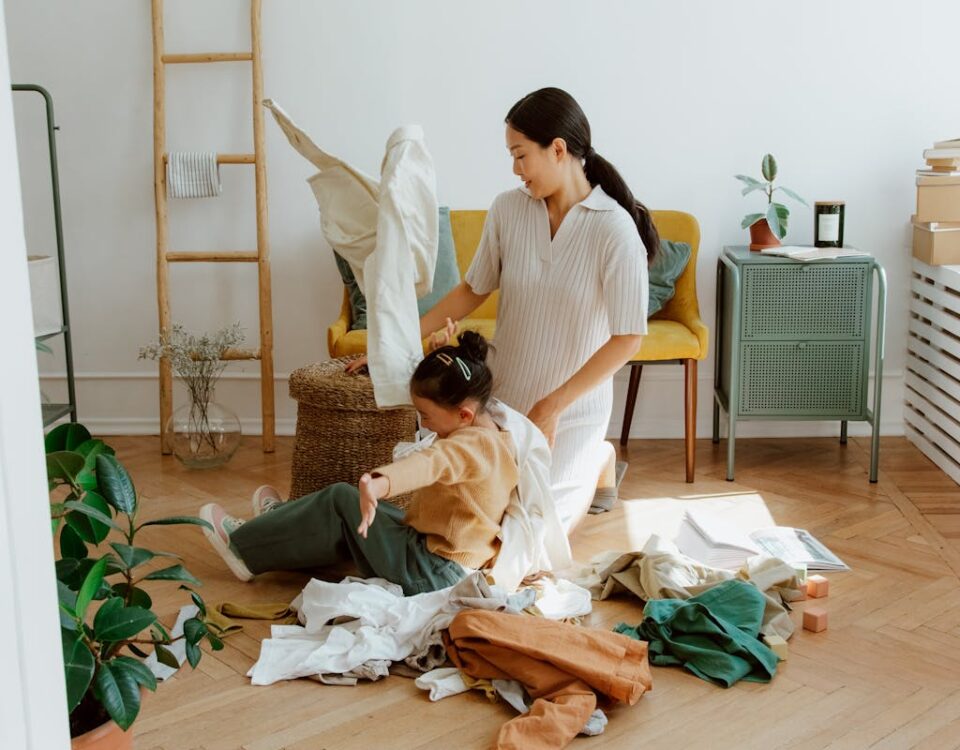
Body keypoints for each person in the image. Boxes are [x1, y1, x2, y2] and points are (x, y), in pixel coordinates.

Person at [350, 87, 655, 532]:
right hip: (505, 399)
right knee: (474, 520)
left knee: (531, 538)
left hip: (570, 411)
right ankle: (601, 460)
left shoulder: (614, 230)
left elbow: (629, 337)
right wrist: (392, 350)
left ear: (557, 149)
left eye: (520, 155)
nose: (515, 169)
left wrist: (553, 406)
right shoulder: (509, 209)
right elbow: (472, 289)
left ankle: (596, 455)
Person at [199, 331, 518, 596]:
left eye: (426, 416)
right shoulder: (497, 433)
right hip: (447, 563)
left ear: (463, 414)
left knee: (341, 498)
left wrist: (380, 482)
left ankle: (243, 549)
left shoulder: (469, 447)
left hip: (429, 572)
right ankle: (280, 522)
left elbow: (430, 463)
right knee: (356, 509)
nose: (425, 423)